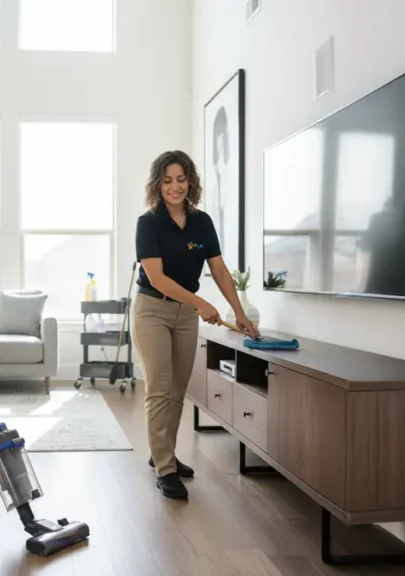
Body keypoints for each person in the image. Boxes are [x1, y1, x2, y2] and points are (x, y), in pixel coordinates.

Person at [132, 150, 260, 500]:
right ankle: (164, 466)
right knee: (159, 388)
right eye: (168, 180)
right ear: (158, 184)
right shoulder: (149, 223)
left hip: (185, 315)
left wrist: (238, 312)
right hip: (152, 311)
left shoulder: (202, 222)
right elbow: (156, 278)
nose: (175, 187)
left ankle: (166, 454)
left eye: (181, 179)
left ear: (191, 181)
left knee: (177, 389)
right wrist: (201, 302)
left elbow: (218, 269)